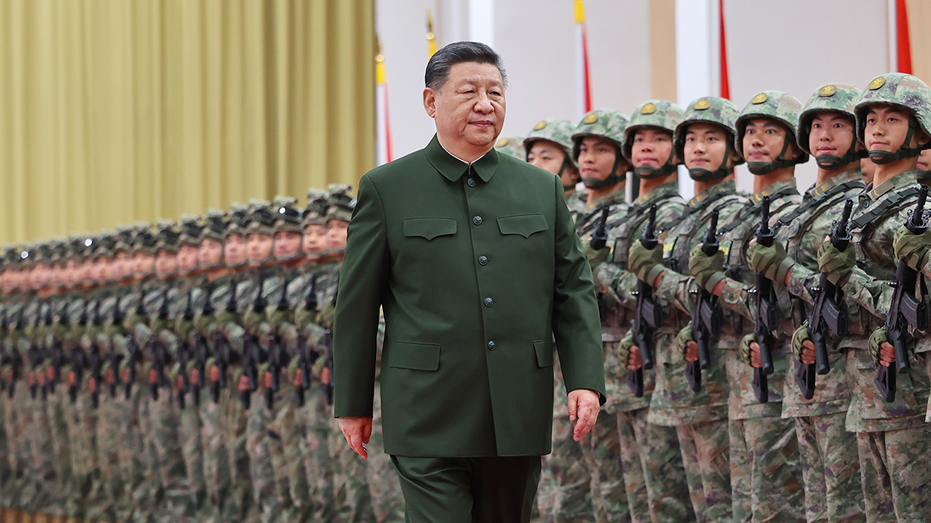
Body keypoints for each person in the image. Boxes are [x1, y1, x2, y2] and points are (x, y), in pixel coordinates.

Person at [332, 41, 605, 523]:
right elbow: (357, 304)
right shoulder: (387, 188)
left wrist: (585, 379)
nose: (485, 104)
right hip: (426, 408)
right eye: (469, 91)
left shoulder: (540, 188)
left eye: (495, 92)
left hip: (516, 406)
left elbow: (572, 290)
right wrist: (352, 403)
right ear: (431, 101)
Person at [746, 83, 867, 523]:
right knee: (815, 508)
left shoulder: (858, 206)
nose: (825, 135)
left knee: (844, 507)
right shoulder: (806, 208)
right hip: (802, 370)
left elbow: (850, 290)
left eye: (838, 126)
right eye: (816, 126)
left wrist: (784, 272)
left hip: (840, 369)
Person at [689, 91, 807, 522]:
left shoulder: (793, 215)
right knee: (740, 504)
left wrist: (720, 286)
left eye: (770, 131)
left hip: (775, 372)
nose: (756, 140)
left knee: (774, 505)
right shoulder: (740, 216)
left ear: (794, 144)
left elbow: (788, 305)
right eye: (750, 131)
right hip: (740, 375)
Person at [626, 96, 746, 522]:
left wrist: (656, 276)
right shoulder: (684, 218)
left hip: (713, 377)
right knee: (672, 503)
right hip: (675, 374)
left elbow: (720, 294)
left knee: (718, 503)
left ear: (733, 150)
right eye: (691, 139)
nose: (698, 147)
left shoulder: (734, 214)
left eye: (711, 138)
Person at [820, 73, 931, 522]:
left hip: (907, 387)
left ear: (920, 133)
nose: (878, 129)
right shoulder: (856, 210)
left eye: (892, 119)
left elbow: (919, 308)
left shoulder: (919, 211)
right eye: (870, 120)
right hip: (863, 388)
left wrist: (849, 279)